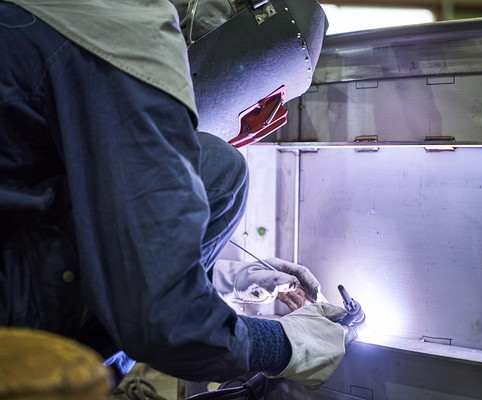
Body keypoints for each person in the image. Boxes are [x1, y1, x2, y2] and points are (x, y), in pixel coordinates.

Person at [0, 0, 354, 390]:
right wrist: (293, 343)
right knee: (218, 168)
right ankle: (66, 382)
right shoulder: (128, 34)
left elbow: (80, 215)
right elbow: (163, 322)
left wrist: (233, 278)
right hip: (12, 339)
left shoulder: (64, 17)